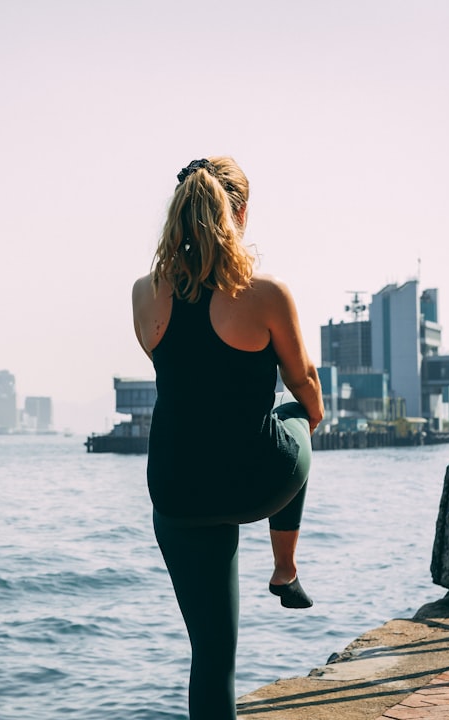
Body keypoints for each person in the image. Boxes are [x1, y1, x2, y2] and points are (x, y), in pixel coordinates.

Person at [131, 156, 324, 720]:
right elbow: (303, 382)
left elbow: (179, 372)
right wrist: (312, 414)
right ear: (238, 212)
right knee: (297, 415)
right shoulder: (264, 293)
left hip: (176, 492)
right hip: (256, 483)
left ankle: (283, 570)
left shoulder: (145, 293)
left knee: (212, 656)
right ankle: (285, 567)